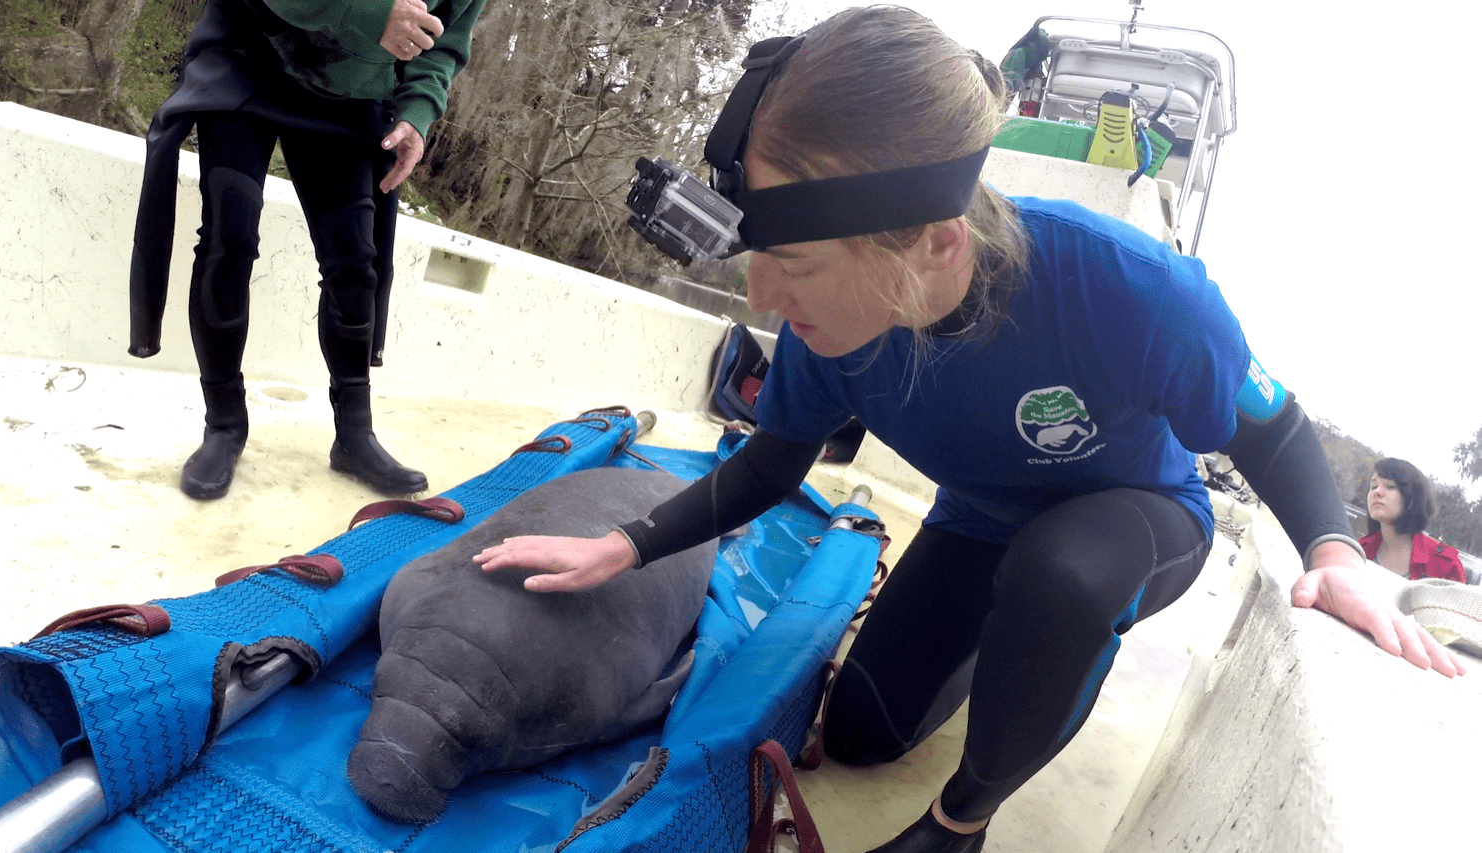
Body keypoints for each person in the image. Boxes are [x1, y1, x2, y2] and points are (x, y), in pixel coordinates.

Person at [472, 7, 1467, 852]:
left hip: (1134, 517)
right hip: (978, 519)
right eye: (756, 252)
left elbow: (1276, 429)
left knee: (1061, 577)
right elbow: (772, 465)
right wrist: (623, 544)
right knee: (860, 733)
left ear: (935, 243)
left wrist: (1334, 549)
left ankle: (962, 819)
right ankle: (1018, 650)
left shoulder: (1128, 288)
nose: (763, 294)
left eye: (798, 265)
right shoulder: (834, 326)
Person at [127, 0, 486, 499]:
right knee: (227, 240)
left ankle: (355, 437)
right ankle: (225, 424)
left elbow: (442, 43)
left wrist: (418, 110)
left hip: (349, 90)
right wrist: (367, 14)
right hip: (249, 51)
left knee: (356, 264)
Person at [1361, 457, 1467, 582]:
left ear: (1413, 498)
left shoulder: (1446, 565)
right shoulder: (1358, 552)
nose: (1377, 492)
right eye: (1373, 486)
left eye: (1390, 486)